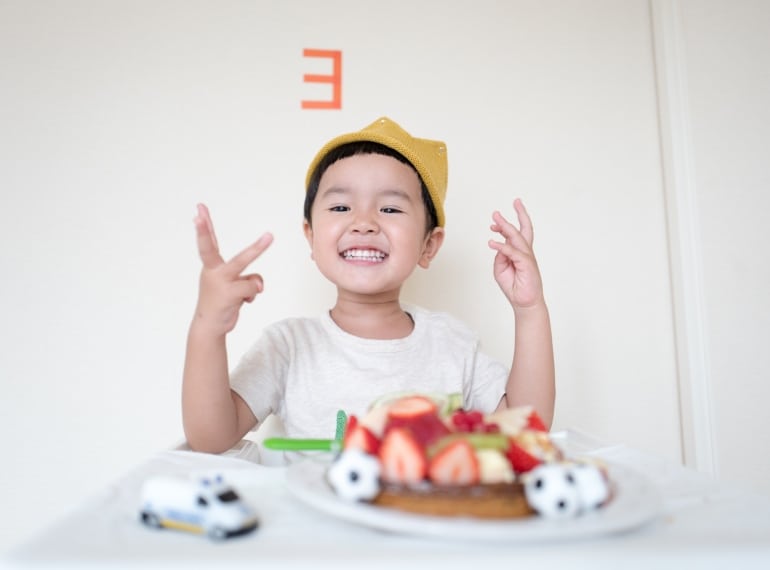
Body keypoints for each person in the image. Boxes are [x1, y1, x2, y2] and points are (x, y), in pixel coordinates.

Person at [182, 117, 555, 454]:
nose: (364, 223)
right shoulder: (288, 346)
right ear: (311, 237)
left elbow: (525, 432)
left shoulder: (453, 345)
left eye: (390, 209)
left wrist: (530, 310)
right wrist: (208, 327)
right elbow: (210, 439)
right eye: (341, 207)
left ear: (429, 245)